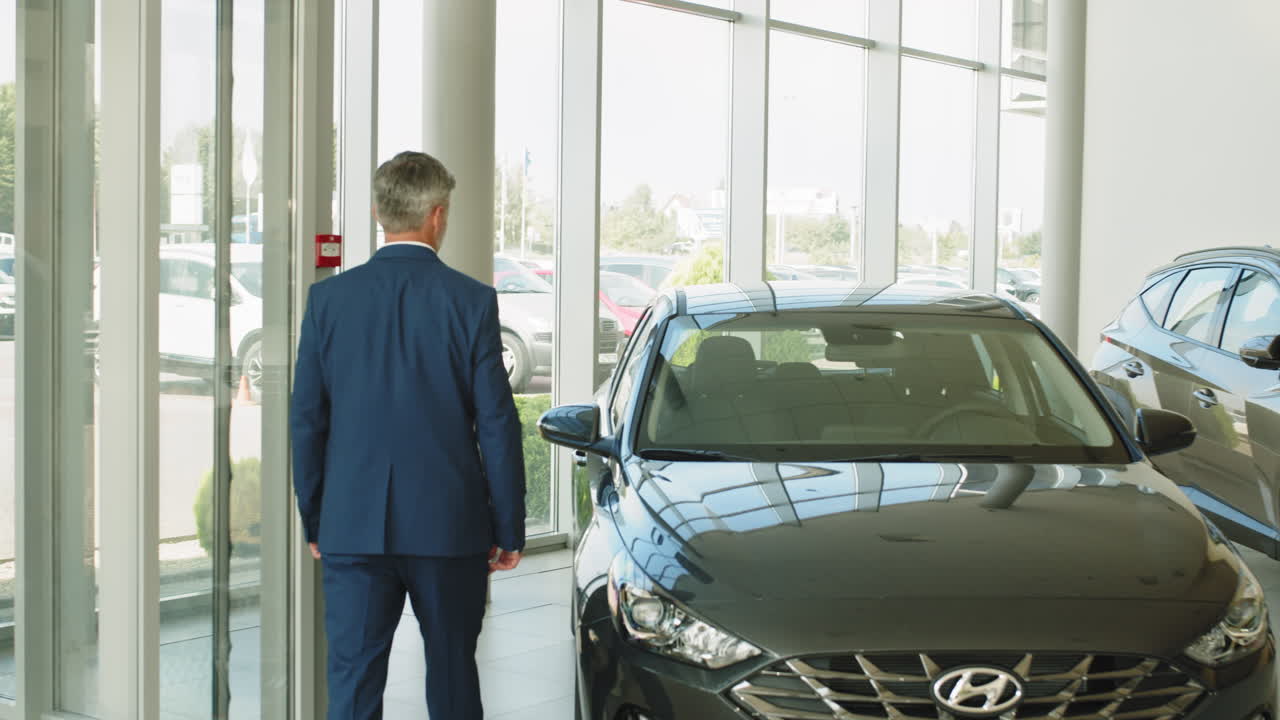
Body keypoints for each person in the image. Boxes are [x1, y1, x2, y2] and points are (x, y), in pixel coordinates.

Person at [291, 150, 527, 720]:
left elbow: (307, 419)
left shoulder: (329, 300)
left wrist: (317, 517)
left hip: (351, 526)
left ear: (378, 211)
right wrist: (509, 526)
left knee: (352, 682)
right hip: (449, 529)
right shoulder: (471, 302)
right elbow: (496, 421)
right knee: (452, 676)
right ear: (438, 215)